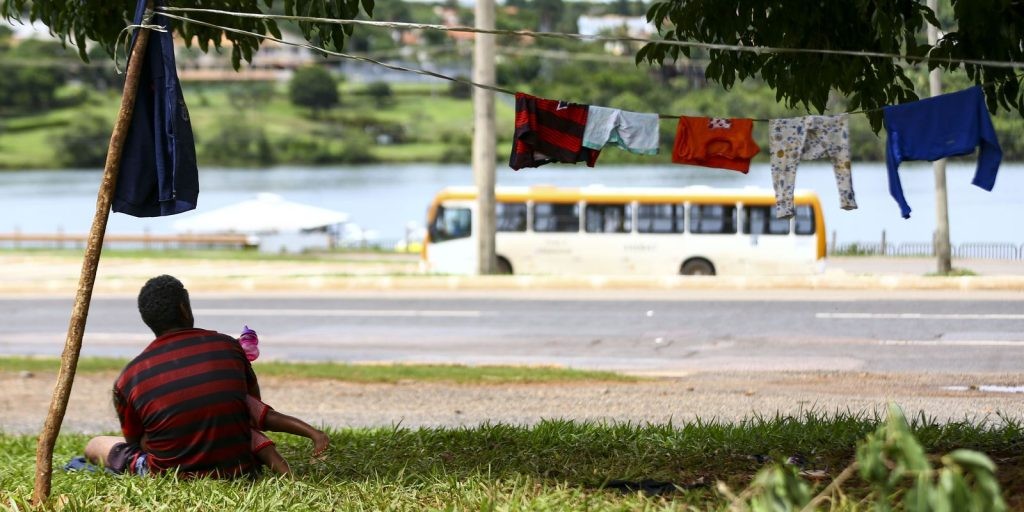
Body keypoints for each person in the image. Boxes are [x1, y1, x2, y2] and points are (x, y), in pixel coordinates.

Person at [83, 275, 326, 477]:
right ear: (184, 309)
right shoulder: (228, 347)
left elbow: (135, 441)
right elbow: (251, 406)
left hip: (172, 473)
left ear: (148, 320)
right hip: (239, 465)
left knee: (97, 444)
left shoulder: (129, 378)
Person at [237, 325, 329, 475]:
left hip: (211, 423)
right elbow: (256, 397)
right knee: (262, 420)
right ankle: (314, 436)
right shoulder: (232, 355)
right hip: (235, 410)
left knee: (257, 434)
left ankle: (289, 477)